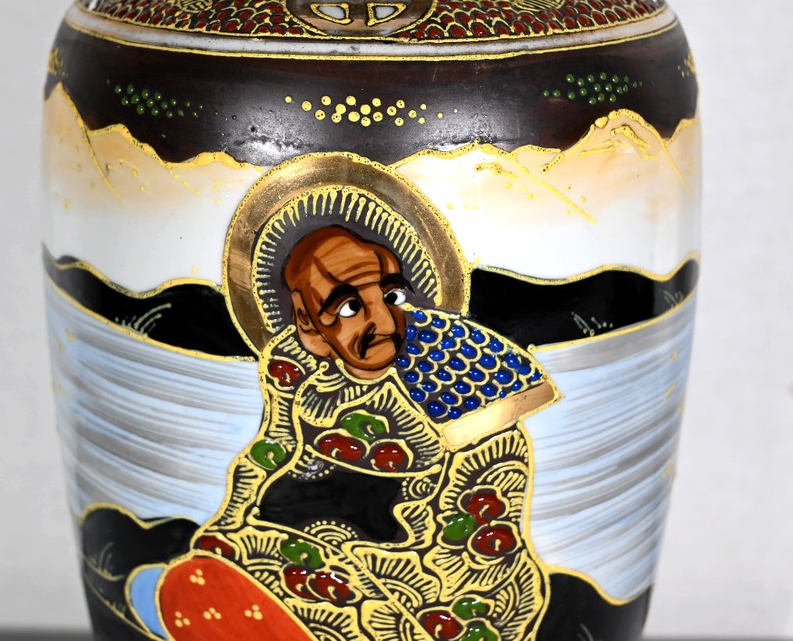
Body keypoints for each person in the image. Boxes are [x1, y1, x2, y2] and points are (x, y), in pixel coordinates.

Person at [153, 223, 559, 641]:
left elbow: (473, 536)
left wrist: (354, 560)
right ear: (308, 324)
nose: (383, 321)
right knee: (211, 577)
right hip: (317, 536)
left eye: (391, 297)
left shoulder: (459, 381)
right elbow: (271, 450)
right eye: (349, 307)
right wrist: (229, 527)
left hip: (437, 568)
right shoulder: (294, 364)